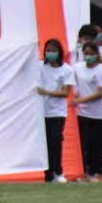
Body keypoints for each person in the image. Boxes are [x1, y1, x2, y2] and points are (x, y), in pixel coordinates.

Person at [37, 38, 74, 182]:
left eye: (53, 50)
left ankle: (58, 172)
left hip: (58, 112)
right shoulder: (40, 66)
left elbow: (65, 92)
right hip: (42, 112)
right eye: (48, 50)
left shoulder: (66, 70)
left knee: (55, 141)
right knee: (45, 144)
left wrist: (47, 92)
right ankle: (48, 174)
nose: (50, 53)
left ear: (59, 52)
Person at [74, 40, 102, 182]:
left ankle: (96, 172)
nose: (88, 56)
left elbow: (100, 93)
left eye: (91, 54)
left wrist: (80, 101)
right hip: (82, 113)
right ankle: (85, 172)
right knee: (85, 144)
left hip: (99, 114)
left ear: (96, 54)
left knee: (98, 145)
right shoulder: (77, 68)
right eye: (86, 53)